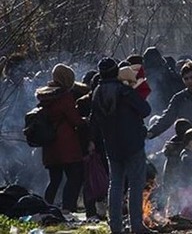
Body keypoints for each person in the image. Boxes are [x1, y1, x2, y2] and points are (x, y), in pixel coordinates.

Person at [91, 57, 152, 234]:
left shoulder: (96, 93)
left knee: (115, 185)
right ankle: (137, 226)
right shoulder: (124, 91)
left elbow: (93, 121)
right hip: (133, 143)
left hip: (111, 145)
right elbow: (145, 110)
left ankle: (115, 227)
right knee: (135, 185)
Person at [35, 63, 87, 213]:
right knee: (74, 177)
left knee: (54, 180)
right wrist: (86, 121)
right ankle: (67, 208)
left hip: (50, 145)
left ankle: (46, 208)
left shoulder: (45, 96)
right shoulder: (64, 97)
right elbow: (75, 120)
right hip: (66, 145)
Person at [146, 61, 192, 139]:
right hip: (186, 140)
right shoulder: (179, 98)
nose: (190, 81)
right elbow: (167, 119)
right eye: (186, 79)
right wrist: (151, 132)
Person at [173, 128, 192, 219]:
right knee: (187, 209)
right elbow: (186, 159)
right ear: (191, 143)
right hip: (186, 187)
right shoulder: (185, 154)